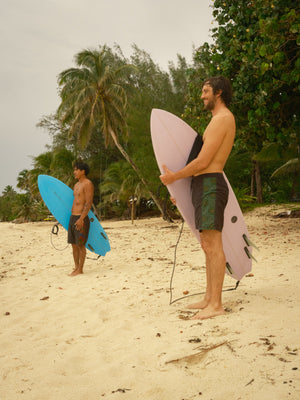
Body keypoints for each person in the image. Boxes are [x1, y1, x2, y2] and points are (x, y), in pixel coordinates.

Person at [159, 76, 235, 320]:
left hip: (211, 184)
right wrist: (181, 193)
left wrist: (174, 178)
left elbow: (202, 162)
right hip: (204, 185)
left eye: (206, 91)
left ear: (219, 93)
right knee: (206, 246)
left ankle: (217, 305)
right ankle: (209, 298)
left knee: (214, 246)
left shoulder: (223, 119)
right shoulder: (215, 120)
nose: (202, 96)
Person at [68, 161, 94, 276]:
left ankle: (80, 269)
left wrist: (81, 219)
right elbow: (75, 202)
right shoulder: (76, 185)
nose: (74, 172)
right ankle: (76, 267)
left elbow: (88, 203)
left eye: (76, 170)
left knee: (80, 245)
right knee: (73, 244)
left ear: (83, 171)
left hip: (81, 218)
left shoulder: (88, 184)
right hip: (73, 217)